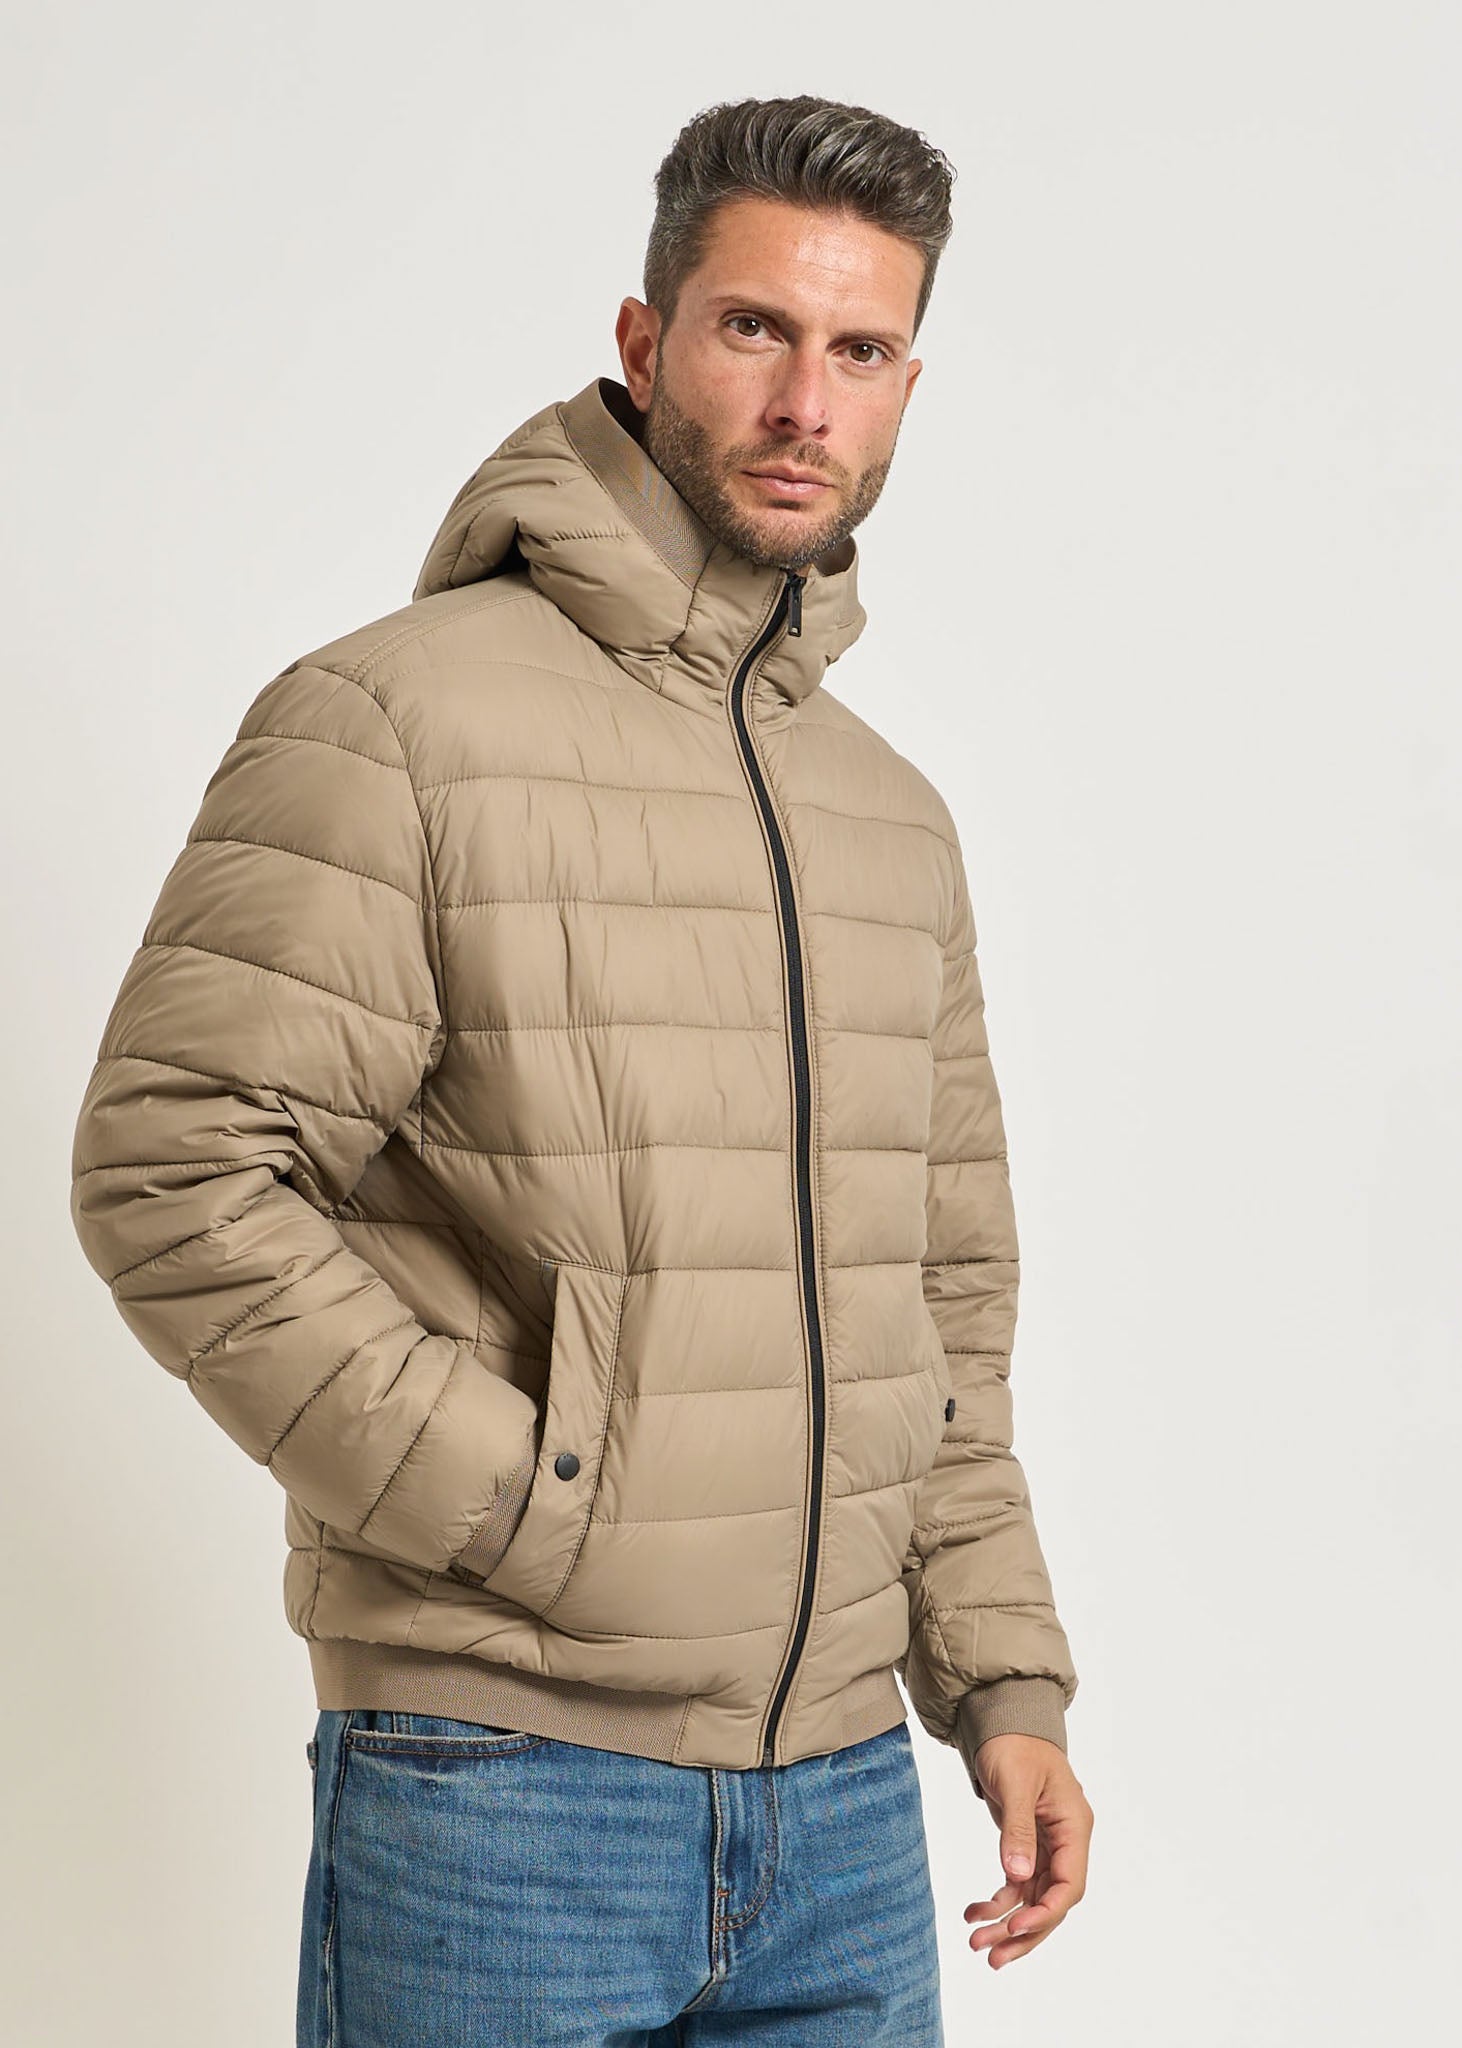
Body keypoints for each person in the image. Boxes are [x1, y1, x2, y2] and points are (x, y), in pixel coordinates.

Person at [69, 92, 1092, 2045]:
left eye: (860, 349)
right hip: (501, 1789)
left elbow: (938, 1299)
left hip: (844, 1811)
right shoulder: (395, 718)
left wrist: (1000, 1684)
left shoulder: (888, 818)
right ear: (642, 339)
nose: (802, 401)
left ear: (905, 383)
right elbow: (172, 1172)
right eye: (752, 328)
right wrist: (529, 1505)